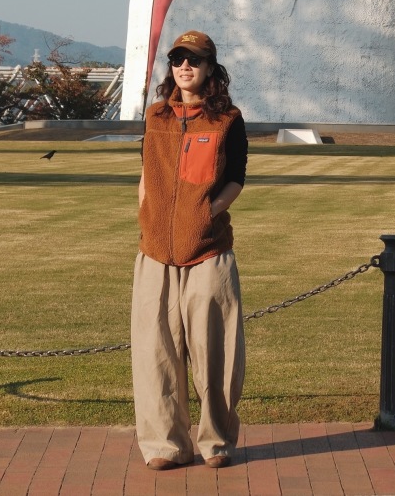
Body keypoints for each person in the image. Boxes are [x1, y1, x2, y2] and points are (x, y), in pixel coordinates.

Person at [132, 30, 248, 470]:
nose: (185, 67)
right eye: (178, 59)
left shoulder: (227, 121)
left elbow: (237, 176)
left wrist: (208, 212)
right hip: (156, 251)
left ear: (211, 68)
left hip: (208, 251)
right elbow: (145, 171)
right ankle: (166, 445)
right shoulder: (156, 116)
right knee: (155, 354)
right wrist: (146, 211)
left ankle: (216, 442)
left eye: (194, 60)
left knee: (214, 353)